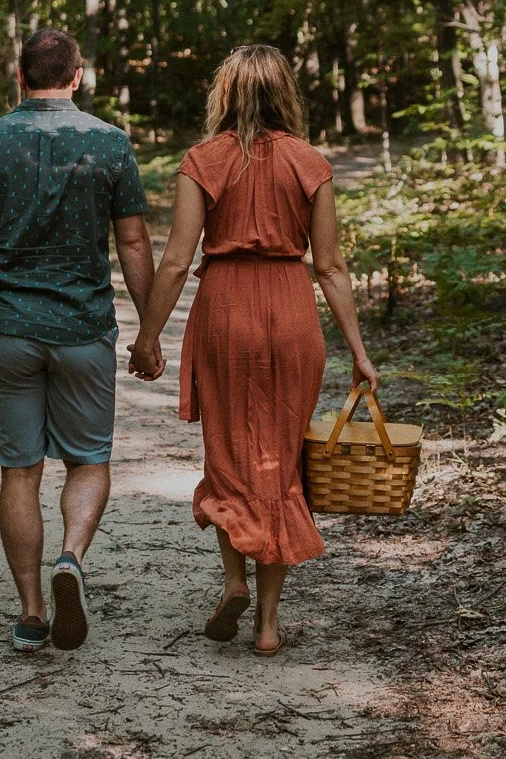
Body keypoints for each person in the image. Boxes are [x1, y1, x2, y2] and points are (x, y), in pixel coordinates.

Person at [128, 43, 379, 656]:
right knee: (282, 463)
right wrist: (359, 350)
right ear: (284, 94)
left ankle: (234, 579)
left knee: (231, 455)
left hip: (227, 310)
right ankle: (267, 625)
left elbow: (177, 261)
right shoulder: (311, 163)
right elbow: (333, 267)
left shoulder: (202, 159)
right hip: (291, 309)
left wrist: (148, 334)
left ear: (227, 94)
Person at [0, 28, 154, 654]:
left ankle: (32, 610)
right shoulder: (109, 142)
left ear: (19, 76)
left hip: (8, 331)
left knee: (20, 471)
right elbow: (136, 243)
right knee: (88, 459)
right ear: (78, 75)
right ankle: (71, 558)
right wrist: (148, 329)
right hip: (82, 331)